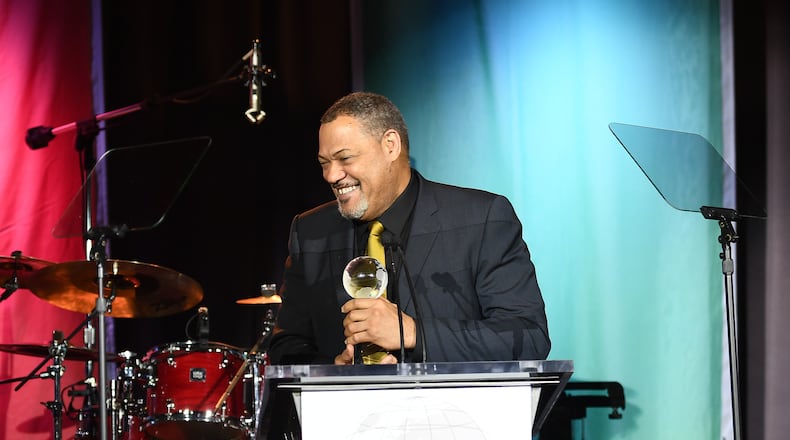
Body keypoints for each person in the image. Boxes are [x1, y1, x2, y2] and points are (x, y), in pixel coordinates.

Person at [267, 91, 550, 366]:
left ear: (391, 145)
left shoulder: (481, 219)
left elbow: (528, 337)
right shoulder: (311, 231)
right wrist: (333, 367)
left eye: (345, 158)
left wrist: (413, 333)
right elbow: (286, 346)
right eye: (324, 163)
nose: (332, 175)